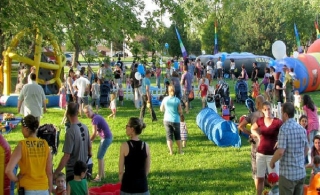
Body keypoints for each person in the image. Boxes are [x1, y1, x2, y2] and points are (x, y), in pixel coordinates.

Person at [5, 115, 53, 194]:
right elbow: (49, 172)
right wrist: (50, 188)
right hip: (43, 188)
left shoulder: (22, 145)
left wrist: (16, 179)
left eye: (21, 128)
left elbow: (8, 170)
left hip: (27, 188)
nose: (21, 130)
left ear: (26, 129)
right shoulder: (45, 144)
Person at [270, 102, 308, 195]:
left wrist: (272, 162)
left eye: (281, 112)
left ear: (285, 115)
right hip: (300, 172)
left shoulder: (284, 129)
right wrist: (299, 159)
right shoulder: (301, 128)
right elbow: (306, 148)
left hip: (288, 175)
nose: (280, 115)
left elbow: (280, 152)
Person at [54, 102, 92, 183]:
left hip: (73, 173)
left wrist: (56, 173)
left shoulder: (70, 131)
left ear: (67, 113)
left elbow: (66, 156)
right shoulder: (85, 127)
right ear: (78, 112)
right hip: (83, 170)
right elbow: (90, 148)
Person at [251, 101, 283, 195]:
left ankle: (275, 193)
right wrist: (258, 136)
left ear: (271, 109)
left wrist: (279, 140)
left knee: (274, 179)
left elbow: (284, 131)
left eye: (269, 109)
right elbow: (252, 128)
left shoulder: (277, 122)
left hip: (272, 155)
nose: (267, 111)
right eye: (265, 109)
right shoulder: (260, 120)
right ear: (262, 110)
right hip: (260, 153)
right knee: (260, 177)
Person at [238, 95, 265, 190]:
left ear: (256, 104)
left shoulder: (253, 115)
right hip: (267, 143)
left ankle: (258, 189)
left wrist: (250, 133)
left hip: (256, 144)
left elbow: (240, 126)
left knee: (256, 169)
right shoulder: (269, 115)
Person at [119, 117, 151, 195]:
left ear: (132, 129)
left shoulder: (124, 146)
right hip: (143, 187)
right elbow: (147, 169)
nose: (126, 127)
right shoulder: (146, 146)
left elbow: (120, 171)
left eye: (127, 126)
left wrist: (121, 181)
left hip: (127, 187)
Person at [83, 105, 113, 182]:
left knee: (99, 157)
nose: (87, 114)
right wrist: (91, 140)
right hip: (106, 137)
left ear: (91, 110)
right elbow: (96, 133)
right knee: (100, 157)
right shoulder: (96, 117)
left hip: (106, 138)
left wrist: (88, 142)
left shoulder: (95, 119)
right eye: (85, 113)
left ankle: (99, 177)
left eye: (88, 112)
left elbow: (93, 133)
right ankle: (102, 174)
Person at [160, 85, 183, 155]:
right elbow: (180, 111)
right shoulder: (177, 100)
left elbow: (161, 109)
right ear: (174, 91)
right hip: (175, 120)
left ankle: (171, 151)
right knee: (177, 136)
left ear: (168, 91)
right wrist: (180, 113)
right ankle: (180, 151)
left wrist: (165, 110)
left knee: (169, 136)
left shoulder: (165, 99)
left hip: (166, 119)